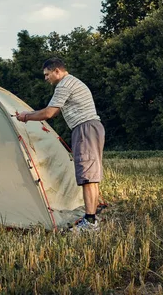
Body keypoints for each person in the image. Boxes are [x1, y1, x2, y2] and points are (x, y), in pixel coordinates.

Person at [16, 58, 105, 232]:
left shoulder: (64, 85)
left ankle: (90, 222)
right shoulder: (72, 82)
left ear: (57, 71)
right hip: (92, 128)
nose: (46, 78)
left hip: (85, 128)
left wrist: (26, 116)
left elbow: (49, 113)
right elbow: (55, 111)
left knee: (87, 176)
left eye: (47, 74)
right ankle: (92, 218)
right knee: (91, 176)